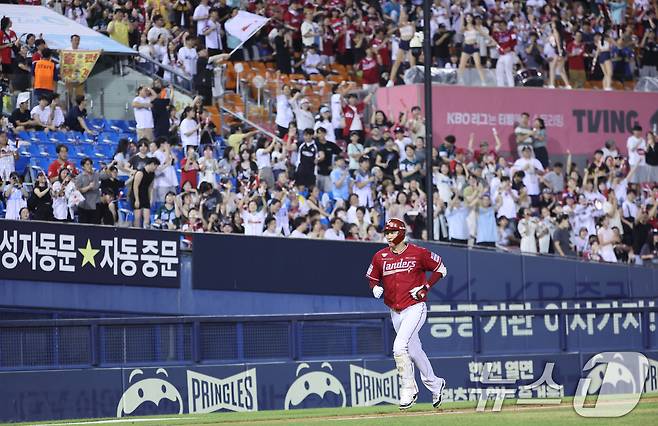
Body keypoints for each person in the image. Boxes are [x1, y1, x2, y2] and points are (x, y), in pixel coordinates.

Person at [366, 218, 447, 410]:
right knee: (414, 350)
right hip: (395, 310)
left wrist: (425, 287)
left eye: (392, 232)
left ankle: (408, 388)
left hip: (415, 307)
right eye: (386, 233)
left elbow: (441, 269)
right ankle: (435, 384)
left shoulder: (418, 252)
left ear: (401, 233)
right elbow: (371, 276)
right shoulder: (380, 256)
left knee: (399, 347)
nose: (389, 236)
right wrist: (374, 287)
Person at [130, 157, 160, 228]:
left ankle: (145, 231)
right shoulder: (140, 173)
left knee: (147, 217)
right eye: (155, 166)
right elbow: (135, 186)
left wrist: (150, 199)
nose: (156, 168)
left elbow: (150, 187)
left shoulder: (152, 174)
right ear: (152, 164)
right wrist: (137, 200)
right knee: (137, 217)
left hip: (145, 195)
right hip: (137, 195)